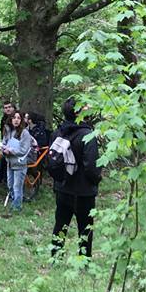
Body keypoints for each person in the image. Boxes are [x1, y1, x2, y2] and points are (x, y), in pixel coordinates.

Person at [51, 97, 102, 258]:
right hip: (83, 191)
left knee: (60, 225)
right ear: (79, 113)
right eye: (84, 107)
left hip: (62, 187)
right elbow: (92, 166)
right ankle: (84, 259)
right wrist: (96, 181)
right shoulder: (88, 135)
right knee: (85, 228)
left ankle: (55, 256)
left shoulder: (58, 133)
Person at [0, 110, 34, 214]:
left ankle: (16, 208)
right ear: (11, 119)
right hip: (9, 163)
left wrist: (11, 150)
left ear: (21, 120)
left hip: (20, 164)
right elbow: (3, 143)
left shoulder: (25, 133)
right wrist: (3, 150)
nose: (16, 120)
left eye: (18, 118)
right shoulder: (8, 131)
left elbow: (24, 150)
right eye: (14, 118)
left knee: (17, 187)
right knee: (10, 185)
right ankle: (15, 203)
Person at [0, 100, 17, 185]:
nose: (7, 109)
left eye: (9, 107)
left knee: (5, 159)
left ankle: (2, 178)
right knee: (4, 158)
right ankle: (3, 178)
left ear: (13, 108)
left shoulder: (17, 117)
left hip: (16, 143)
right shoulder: (3, 119)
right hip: (7, 142)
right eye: (5, 108)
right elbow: (3, 133)